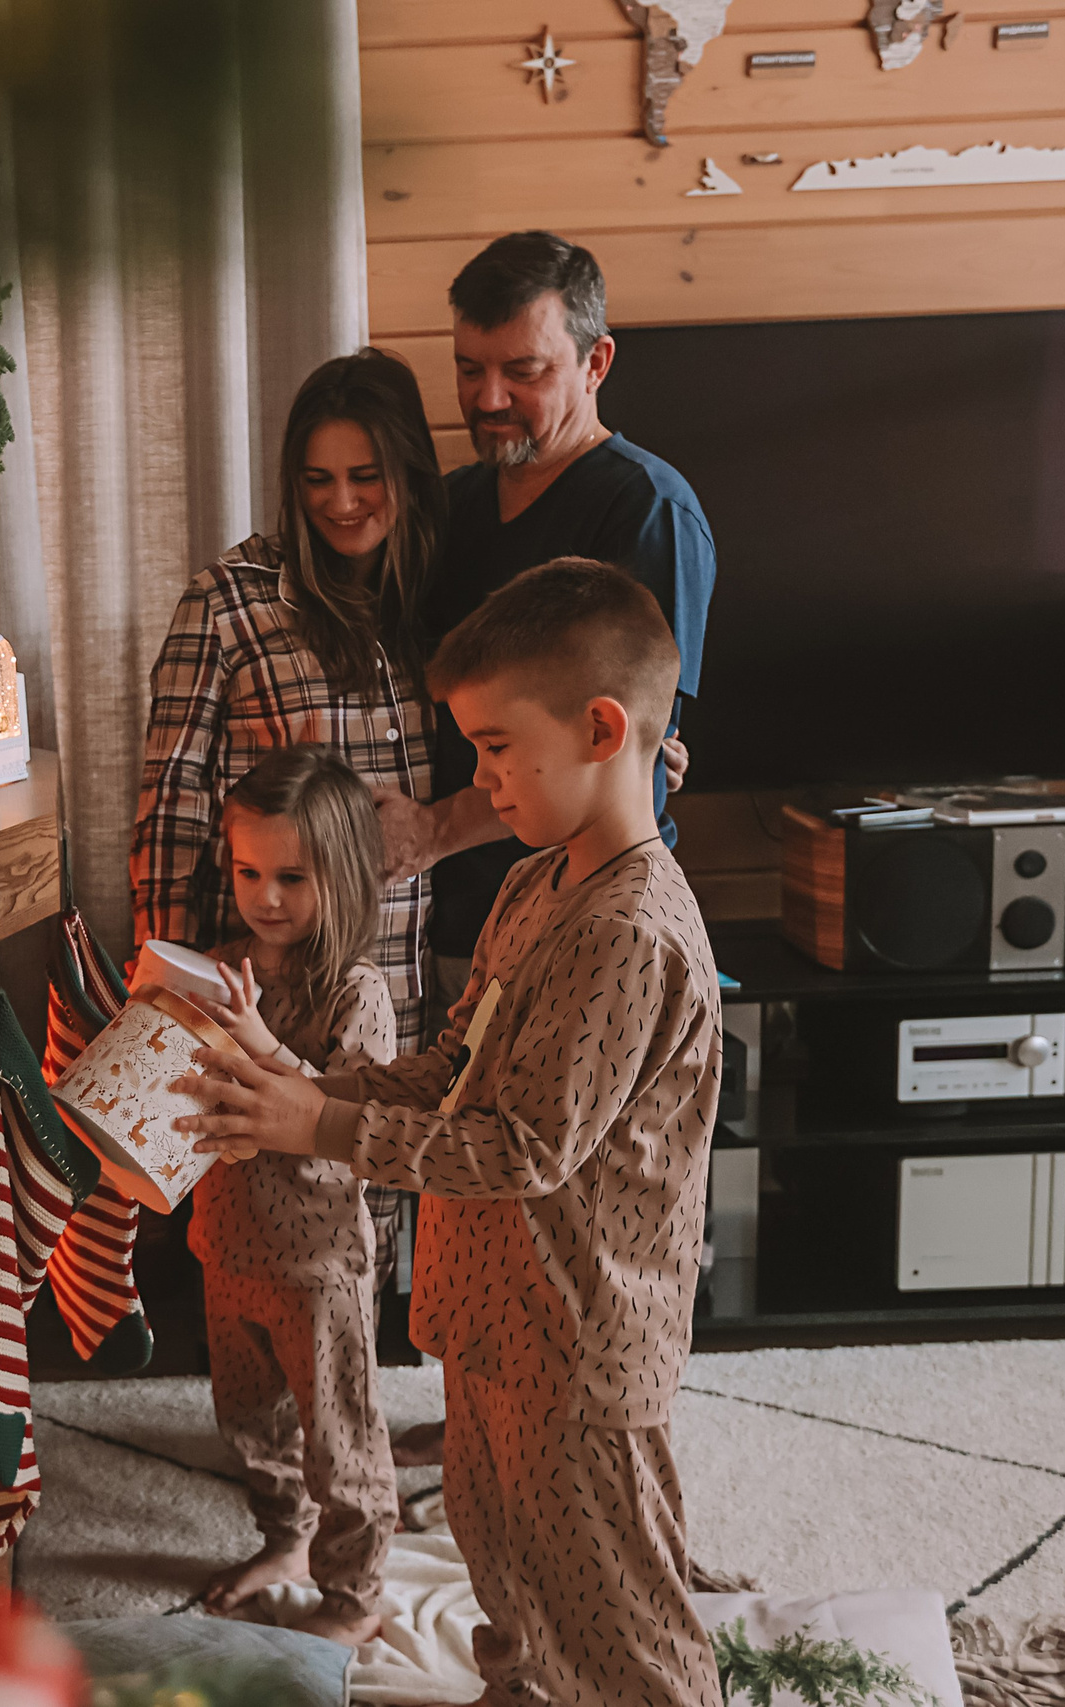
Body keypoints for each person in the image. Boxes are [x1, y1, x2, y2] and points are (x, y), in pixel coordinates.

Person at [177, 560, 725, 1707]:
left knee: (613, 1610)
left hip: (577, 1347)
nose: (476, 779)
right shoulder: (535, 885)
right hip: (490, 1318)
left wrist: (318, 1123)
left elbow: (521, 1149)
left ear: (601, 730)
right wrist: (302, 1083)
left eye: (494, 747)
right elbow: (452, 1070)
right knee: (505, 1566)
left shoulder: (627, 930)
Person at [373, 231, 713, 1025]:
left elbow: (620, 754)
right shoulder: (451, 506)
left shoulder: (646, 510)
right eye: (469, 369)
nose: (489, 398)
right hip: (452, 928)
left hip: (585, 922)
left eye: (523, 372)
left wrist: (432, 831)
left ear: (596, 363)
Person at [131, 347, 446, 1053]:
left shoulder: (440, 601)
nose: (342, 502)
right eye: (317, 480)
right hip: (259, 1008)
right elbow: (171, 811)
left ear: (409, 472)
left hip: (411, 992)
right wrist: (162, 987)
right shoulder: (225, 603)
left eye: (366, 477)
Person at [182, 745, 402, 1646]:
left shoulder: (357, 990)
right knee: (249, 1420)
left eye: (291, 877)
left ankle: (354, 1595)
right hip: (226, 1240)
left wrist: (257, 1039)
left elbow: (346, 1114)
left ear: (339, 875)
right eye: (248, 872)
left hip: (318, 1261)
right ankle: (287, 1541)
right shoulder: (220, 968)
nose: (265, 896)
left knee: (339, 1435)